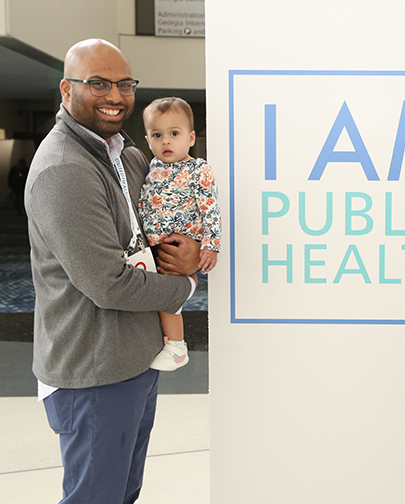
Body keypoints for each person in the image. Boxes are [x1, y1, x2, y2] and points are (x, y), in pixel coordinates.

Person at [24, 39, 201, 504]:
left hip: (136, 358)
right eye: (98, 83)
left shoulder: (127, 154)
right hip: (94, 370)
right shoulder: (64, 169)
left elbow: (159, 227)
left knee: (123, 494)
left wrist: (190, 248)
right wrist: (183, 283)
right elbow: (108, 282)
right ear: (66, 89)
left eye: (124, 84)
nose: (115, 96)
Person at [139, 97, 221, 370]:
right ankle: (166, 342)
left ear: (191, 138)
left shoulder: (198, 169)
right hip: (153, 247)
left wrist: (210, 245)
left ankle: (176, 347)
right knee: (155, 297)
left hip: (178, 247)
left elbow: (211, 209)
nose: (166, 142)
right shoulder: (152, 168)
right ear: (148, 139)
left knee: (167, 298)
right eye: (157, 135)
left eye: (174, 134)